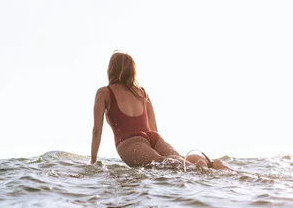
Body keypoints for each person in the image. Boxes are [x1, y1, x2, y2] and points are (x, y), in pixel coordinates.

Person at [90, 51, 232, 170]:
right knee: (180, 160)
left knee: (162, 163)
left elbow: (97, 130)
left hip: (131, 144)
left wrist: (93, 161)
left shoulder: (104, 92)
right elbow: (154, 129)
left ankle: (199, 170)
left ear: (111, 69)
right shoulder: (142, 92)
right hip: (153, 138)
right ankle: (210, 164)